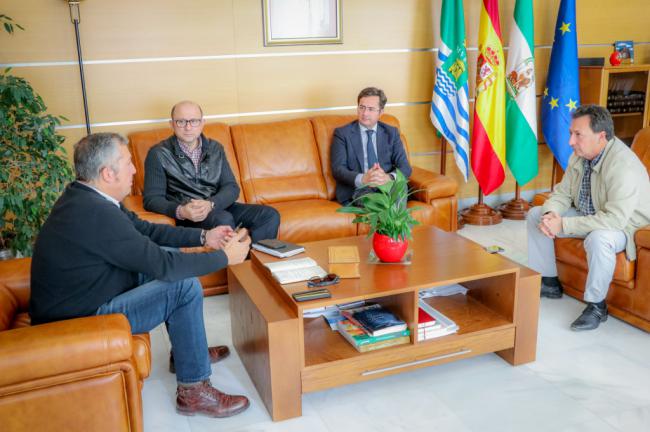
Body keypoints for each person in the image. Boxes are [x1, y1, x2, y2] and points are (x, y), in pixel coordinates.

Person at [30, 132, 252, 418]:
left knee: (170, 261)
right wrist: (224, 257)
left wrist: (203, 236)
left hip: (92, 291)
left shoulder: (88, 197)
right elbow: (164, 267)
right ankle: (193, 390)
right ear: (107, 173)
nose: (135, 169)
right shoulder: (96, 214)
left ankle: (187, 353)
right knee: (181, 286)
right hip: (80, 318)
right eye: (128, 162)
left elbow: (147, 231)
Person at [527, 104, 650, 331]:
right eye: (571, 133)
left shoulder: (623, 166)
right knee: (536, 215)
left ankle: (596, 305)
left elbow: (613, 220)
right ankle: (549, 281)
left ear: (601, 136)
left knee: (599, 238)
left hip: (626, 227)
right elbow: (563, 193)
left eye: (578, 135)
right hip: (590, 213)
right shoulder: (581, 155)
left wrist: (562, 224)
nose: (570, 142)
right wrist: (551, 214)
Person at [143, 101, 280, 243]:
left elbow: (231, 187)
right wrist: (181, 211)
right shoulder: (158, 153)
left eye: (194, 121)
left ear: (202, 123)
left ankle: (252, 262)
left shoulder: (215, 148)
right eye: (181, 122)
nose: (188, 127)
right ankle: (233, 262)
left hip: (216, 205)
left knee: (269, 215)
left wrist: (211, 204)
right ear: (172, 124)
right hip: (190, 215)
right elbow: (151, 199)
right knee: (223, 219)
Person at [330, 87, 412, 205]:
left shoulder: (391, 133)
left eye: (371, 109)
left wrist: (388, 178)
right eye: (362, 107)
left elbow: (405, 167)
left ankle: (394, 221)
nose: (365, 113)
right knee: (384, 204)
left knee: (400, 188)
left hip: (386, 186)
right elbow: (338, 169)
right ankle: (397, 222)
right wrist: (363, 179)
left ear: (381, 112)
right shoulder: (343, 134)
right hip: (359, 190)